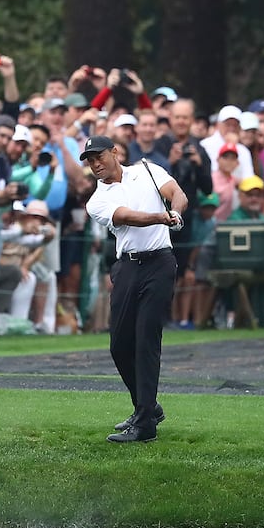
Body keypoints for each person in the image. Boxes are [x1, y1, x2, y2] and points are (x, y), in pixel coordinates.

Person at [82, 134, 186, 443]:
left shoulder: (147, 169)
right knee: (119, 345)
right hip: (127, 266)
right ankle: (148, 407)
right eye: (89, 160)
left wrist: (176, 212)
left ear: (115, 152)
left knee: (146, 340)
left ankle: (144, 425)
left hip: (160, 263)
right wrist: (161, 217)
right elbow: (127, 217)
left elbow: (175, 192)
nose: (95, 164)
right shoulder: (97, 200)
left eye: (99, 156)